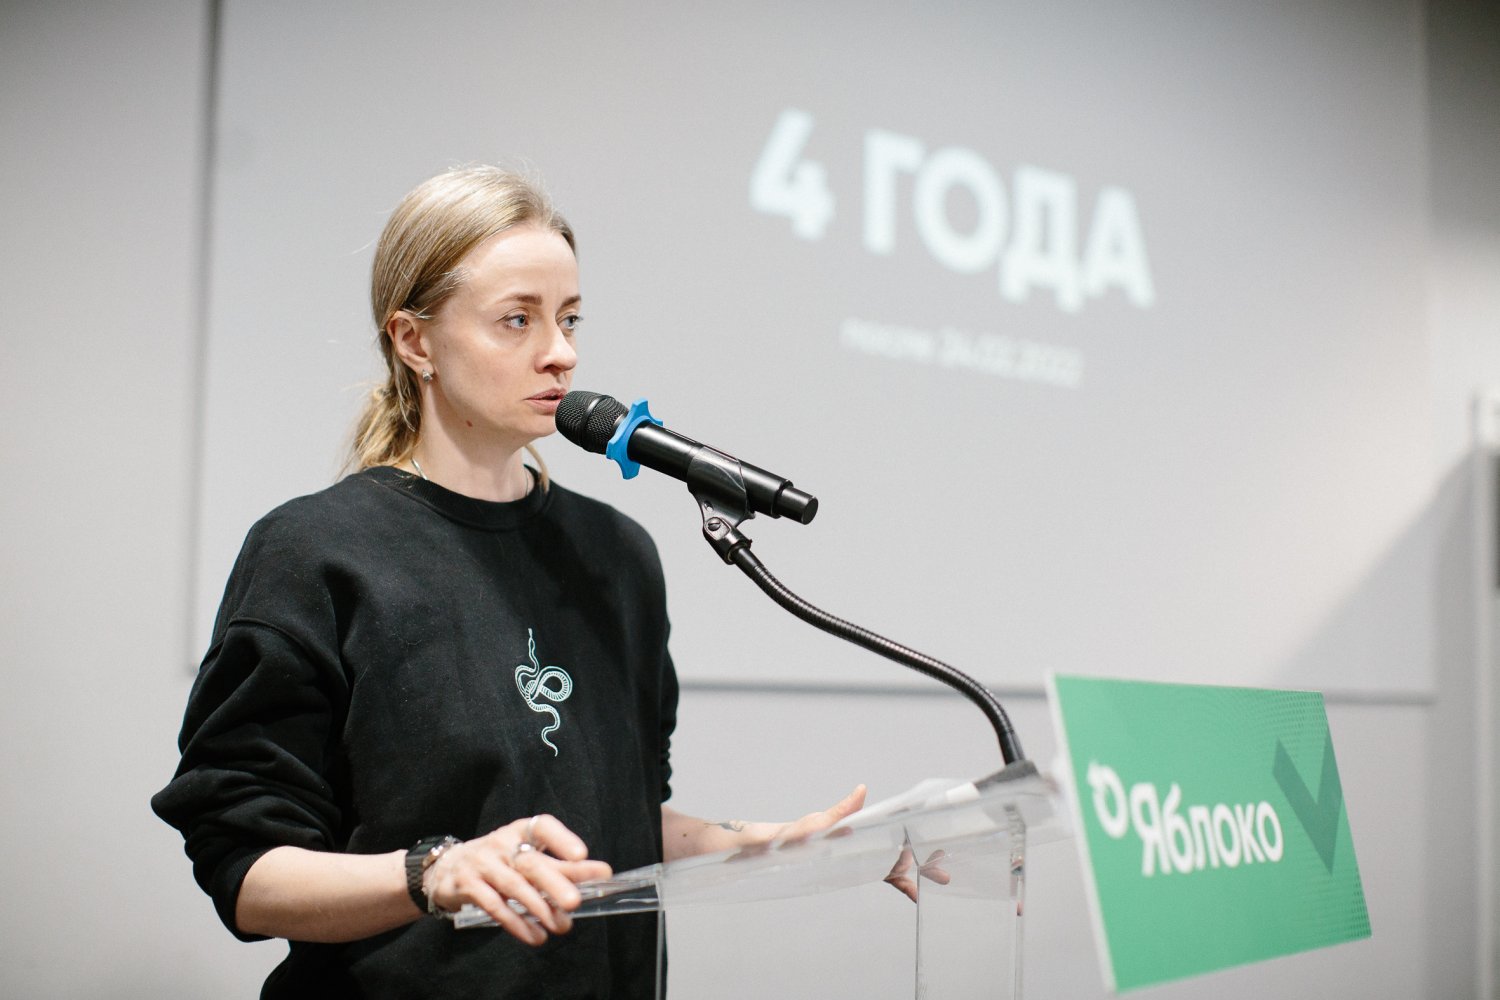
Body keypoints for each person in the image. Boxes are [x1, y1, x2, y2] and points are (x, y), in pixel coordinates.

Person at [152, 165, 865, 999]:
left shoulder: (617, 555)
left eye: (569, 318)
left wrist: (765, 844)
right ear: (415, 342)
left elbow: (617, 817)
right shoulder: (314, 553)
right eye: (517, 319)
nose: (561, 352)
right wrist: (432, 873)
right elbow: (246, 871)